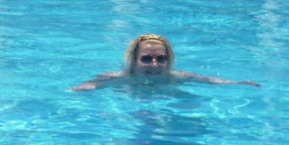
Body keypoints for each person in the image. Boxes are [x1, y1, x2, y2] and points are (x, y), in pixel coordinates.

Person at [71, 33, 262, 91]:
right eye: (147, 59)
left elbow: (210, 80)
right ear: (133, 62)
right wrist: (85, 88)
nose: (154, 64)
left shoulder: (177, 77)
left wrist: (237, 83)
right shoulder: (120, 78)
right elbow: (92, 83)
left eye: (161, 59)